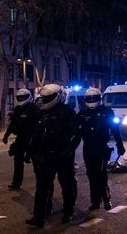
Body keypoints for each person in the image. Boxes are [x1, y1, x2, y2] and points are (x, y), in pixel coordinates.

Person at [26, 84, 80, 227]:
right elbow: (37, 134)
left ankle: (68, 212)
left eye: (47, 98)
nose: (44, 101)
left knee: (66, 185)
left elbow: (75, 134)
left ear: (57, 97)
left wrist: (68, 150)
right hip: (46, 156)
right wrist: (30, 151)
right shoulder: (43, 113)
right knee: (42, 187)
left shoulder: (68, 112)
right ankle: (39, 217)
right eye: (43, 98)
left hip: (63, 157)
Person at [77, 88, 125, 211]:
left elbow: (115, 129)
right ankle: (95, 201)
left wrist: (120, 144)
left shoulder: (107, 112)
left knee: (101, 174)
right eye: (89, 99)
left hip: (101, 147)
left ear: (99, 98)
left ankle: (106, 199)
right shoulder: (82, 114)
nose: (92, 101)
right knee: (91, 175)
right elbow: (76, 132)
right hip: (88, 147)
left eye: (94, 98)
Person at [3, 88, 40, 190]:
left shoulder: (34, 108)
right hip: (20, 138)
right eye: (19, 97)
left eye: (23, 97)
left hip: (32, 139)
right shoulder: (17, 109)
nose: (20, 99)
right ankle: (16, 183)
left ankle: (41, 183)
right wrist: (6, 135)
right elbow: (12, 123)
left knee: (36, 162)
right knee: (18, 161)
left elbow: (38, 126)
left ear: (28, 97)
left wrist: (35, 139)